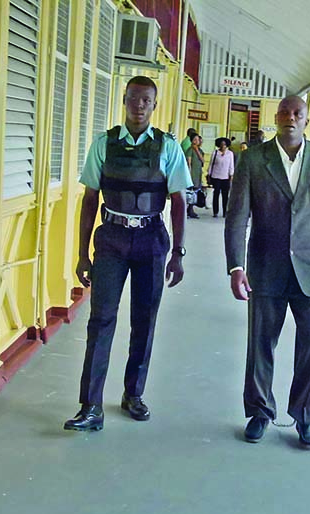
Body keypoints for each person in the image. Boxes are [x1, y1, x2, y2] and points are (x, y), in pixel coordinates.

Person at [64, 76, 190, 432]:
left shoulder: (168, 147)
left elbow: (178, 201)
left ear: (155, 104)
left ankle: (133, 394)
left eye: (146, 100)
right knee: (101, 320)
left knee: (144, 321)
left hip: (151, 239)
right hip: (112, 239)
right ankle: (91, 406)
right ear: (124, 99)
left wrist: (178, 252)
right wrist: (81, 253)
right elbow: (90, 199)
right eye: (134, 98)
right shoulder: (104, 144)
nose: (139, 105)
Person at [225, 95, 310, 447]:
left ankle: (305, 416)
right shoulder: (253, 159)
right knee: (261, 344)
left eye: (297, 113)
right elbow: (237, 217)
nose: (290, 118)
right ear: (275, 118)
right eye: (284, 112)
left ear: (307, 119)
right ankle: (260, 412)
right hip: (265, 266)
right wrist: (236, 265)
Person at [208, 137, 235, 218]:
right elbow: (211, 164)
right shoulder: (215, 153)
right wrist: (209, 174)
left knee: (225, 195)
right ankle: (215, 211)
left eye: (224, 145)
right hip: (216, 176)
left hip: (225, 177)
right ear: (219, 145)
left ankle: (225, 212)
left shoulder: (230, 154)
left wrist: (231, 175)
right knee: (216, 194)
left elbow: (231, 165)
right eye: (221, 144)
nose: (223, 146)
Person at [184, 134, 204, 219]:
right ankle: (186, 210)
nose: (196, 141)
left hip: (198, 173)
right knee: (189, 192)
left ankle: (191, 209)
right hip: (192, 174)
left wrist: (197, 150)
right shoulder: (189, 150)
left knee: (194, 193)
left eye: (198, 140)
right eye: (194, 139)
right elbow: (189, 163)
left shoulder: (200, 150)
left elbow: (202, 161)